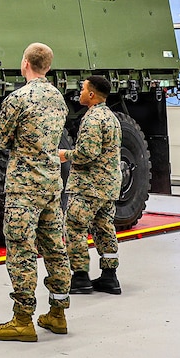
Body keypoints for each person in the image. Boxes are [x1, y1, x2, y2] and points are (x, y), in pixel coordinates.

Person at [0, 42, 72, 342]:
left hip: (24, 189)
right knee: (55, 248)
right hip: (51, 186)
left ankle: (23, 320)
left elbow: (0, 141)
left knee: (21, 251)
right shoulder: (58, 99)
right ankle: (58, 313)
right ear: (47, 67)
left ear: (25, 64)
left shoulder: (17, 99)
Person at [60, 74, 123, 295]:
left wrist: (64, 154)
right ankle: (109, 276)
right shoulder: (111, 117)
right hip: (108, 186)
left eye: (82, 89)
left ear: (92, 94)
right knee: (105, 228)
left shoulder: (93, 119)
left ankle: (80, 277)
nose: (79, 92)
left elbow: (87, 153)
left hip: (89, 186)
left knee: (75, 227)